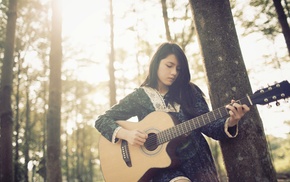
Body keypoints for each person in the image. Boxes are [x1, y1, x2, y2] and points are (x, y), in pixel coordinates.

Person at [95, 42, 250, 182]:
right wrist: (127, 135)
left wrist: (232, 121)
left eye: (178, 69)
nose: (174, 72)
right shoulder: (140, 97)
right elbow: (102, 120)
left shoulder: (190, 91)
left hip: (198, 165)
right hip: (162, 170)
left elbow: (209, 127)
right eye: (169, 66)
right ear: (156, 64)